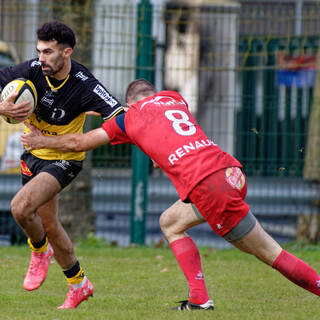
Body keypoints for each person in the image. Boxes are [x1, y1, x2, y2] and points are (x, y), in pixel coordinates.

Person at [21, 78, 320, 311]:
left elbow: (79, 143)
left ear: (128, 103)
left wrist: (40, 138)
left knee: (270, 253)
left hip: (208, 186)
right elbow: (166, 135)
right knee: (171, 222)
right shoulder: (175, 99)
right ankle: (199, 299)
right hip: (231, 172)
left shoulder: (127, 118)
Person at [0, 21, 124, 309]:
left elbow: (119, 116)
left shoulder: (84, 84)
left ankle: (39, 250)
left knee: (20, 208)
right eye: (38, 51)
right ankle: (79, 284)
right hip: (34, 155)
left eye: (48, 52)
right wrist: (2, 107)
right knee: (51, 225)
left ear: (66, 52)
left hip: (65, 159)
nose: (41, 58)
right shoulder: (32, 69)